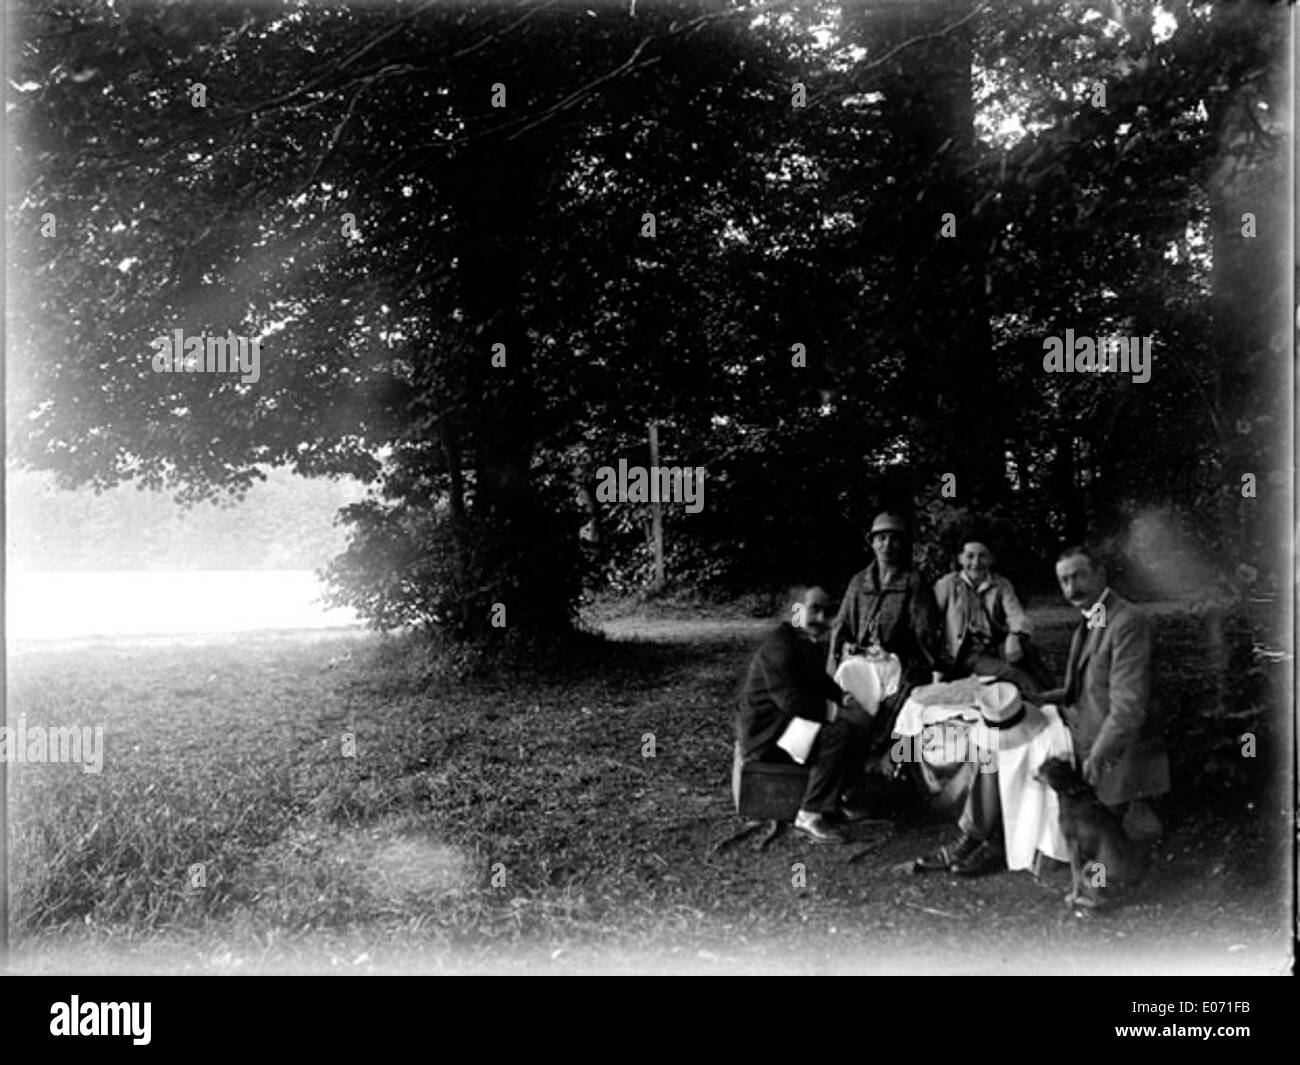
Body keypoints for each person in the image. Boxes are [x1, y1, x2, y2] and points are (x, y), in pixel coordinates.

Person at [917, 545, 1169, 883]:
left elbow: (1127, 710)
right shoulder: (1095, 616)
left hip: (1101, 741)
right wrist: (1038, 698)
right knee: (993, 740)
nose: (1071, 588)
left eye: (1078, 576)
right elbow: (1080, 689)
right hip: (1077, 721)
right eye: (1064, 581)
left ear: (1101, 574)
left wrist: (1097, 756)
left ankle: (987, 838)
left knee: (1006, 748)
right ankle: (983, 835)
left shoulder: (1127, 623)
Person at [737, 584, 873, 844]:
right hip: (768, 734)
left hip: (787, 723)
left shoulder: (803, 640)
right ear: (795, 610)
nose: (822, 619)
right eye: (815, 610)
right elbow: (791, 701)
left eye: (827, 611)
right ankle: (809, 813)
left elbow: (820, 681)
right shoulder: (780, 645)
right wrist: (838, 713)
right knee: (838, 733)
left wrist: (846, 699)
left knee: (857, 721)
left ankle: (838, 797)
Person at [828, 511, 946, 745]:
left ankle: (877, 748)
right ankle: (844, 738)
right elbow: (840, 626)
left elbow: (925, 631)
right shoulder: (859, 581)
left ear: (903, 544)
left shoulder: (913, 582)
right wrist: (839, 651)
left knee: (896, 702)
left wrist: (933, 665)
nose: (887, 545)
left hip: (899, 661)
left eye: (894, 538)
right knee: (844, 688)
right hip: (860, 658)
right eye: (881, 538)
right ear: (872, 543)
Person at [933, 535, 1053, 694]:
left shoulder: (1000, 584)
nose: (976, 563)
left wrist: (1015, 635)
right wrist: (937, 664)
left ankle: (1057, 695)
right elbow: (931, 621)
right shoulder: (948, 584)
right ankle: (1043, 703)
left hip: (995, 646)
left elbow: (1016, 614)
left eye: (982, 556)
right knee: (1015, 674)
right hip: (967, 653)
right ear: (960, 559)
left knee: (1028, 651)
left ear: (991, 559)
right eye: (970, 556)